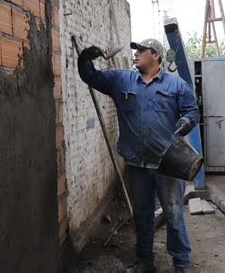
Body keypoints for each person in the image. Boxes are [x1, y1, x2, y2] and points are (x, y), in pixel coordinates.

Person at [77, 39, 200, 273]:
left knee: (174, 216)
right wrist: (85, 57)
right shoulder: (120, 79)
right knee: (142, 216)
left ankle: (181, 264)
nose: (136, 54)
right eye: (135, 50)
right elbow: (90, 77)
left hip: (168, 164)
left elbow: (192, 111)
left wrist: (186, 121)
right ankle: (145, 261)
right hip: (137, 165)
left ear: (155, 55)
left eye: (141, 50)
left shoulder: (176, 85)